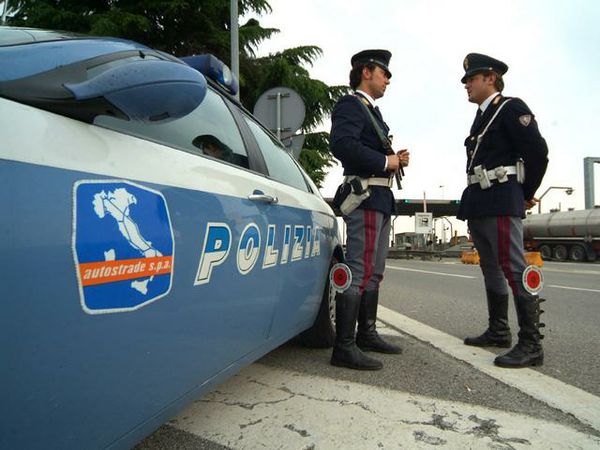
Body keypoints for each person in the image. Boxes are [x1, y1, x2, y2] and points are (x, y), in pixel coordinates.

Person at [457, 53, 549, 368]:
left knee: (513, 267)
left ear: (491, 79)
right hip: (481, 202)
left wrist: (525, 193)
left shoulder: (510, 108)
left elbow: (537, 152)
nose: (466, 84)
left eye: (472, 78)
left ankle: (531, 343)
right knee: (491, 267)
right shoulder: (482, 117)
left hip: (501, 199)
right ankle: (499, 330)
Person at [329, 49, 409, 370]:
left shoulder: (373, 113)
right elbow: (342, 144)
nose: (388, 79)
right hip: (365, 198)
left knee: (374, 271)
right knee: (360, 271)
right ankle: (344, 347)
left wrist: (394, 161)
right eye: (384, 72)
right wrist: (384, 161)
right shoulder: (351, 105)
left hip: (380, 198)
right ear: (366, 72)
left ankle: (367, 333)